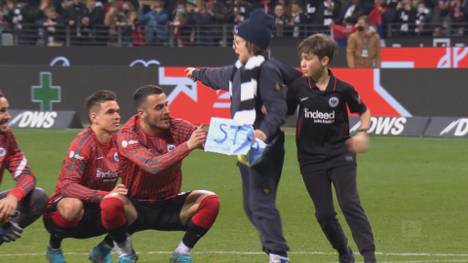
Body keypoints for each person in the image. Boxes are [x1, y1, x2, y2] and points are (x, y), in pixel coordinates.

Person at [185, 9, 301, 263]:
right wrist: (196, 73)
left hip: (264, 146)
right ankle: (274, 251)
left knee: (260, 203)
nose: (234, 44)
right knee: (252, 206)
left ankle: (278, 255)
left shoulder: (267, 70)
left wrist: (263, 131)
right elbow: (217, 76)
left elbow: (279, 106)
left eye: (238, 40)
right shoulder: (240, 69)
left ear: (251, 43)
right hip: (245, 145)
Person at [287, 33, 376, 263]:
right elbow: (282, 112)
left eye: (308, 58)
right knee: (324, 214)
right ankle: (344, 253)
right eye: (301, 58)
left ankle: (369, 257)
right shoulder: (297, 86)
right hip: (309, 160)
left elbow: (364, 111)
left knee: (350, 204)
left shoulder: (343, 89)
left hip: (340, 155)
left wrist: (363, 132)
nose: (303, 63)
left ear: (324, 61)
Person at [116, 84, 220, 263]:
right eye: (159, 107)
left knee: (210, 201)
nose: (167, 111)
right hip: (136, 207)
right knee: (111, 205)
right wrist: (187, 146)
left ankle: (181, 253)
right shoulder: (127, 135)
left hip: (169, 203)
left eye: (166, 104)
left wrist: (248, 138)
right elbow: (152, 165)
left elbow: (214, 141)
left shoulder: (177, 127)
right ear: (142, 113)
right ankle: (126, 254)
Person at [43, 90, 138, 263]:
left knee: (138, 204)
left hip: (98, 209)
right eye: (110, 112)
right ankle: (54, 247)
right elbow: (67, 186)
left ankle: (103, 250)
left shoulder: (120, 141)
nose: (117, 116)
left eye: (117, 111)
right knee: (73, 205)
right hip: (63, 212)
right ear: (94, 117)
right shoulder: (83, 144)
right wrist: (106, 196)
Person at [0, 90, 48, 245]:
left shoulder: (6, 137)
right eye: (1, 111)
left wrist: (14, 196)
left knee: (37, 198)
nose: (8, 116)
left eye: (7, 110)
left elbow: (26, 176)